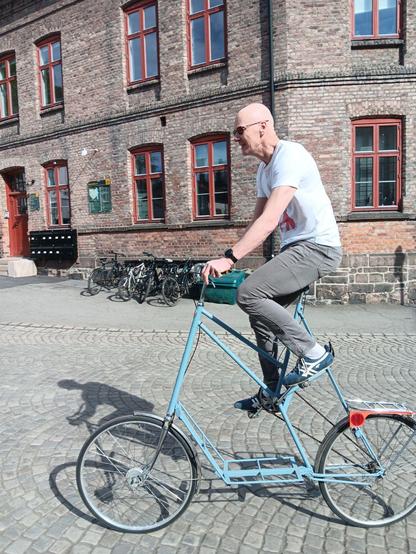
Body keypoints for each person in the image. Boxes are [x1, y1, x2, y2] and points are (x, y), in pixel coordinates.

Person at [202, 102, 342, 413]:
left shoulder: (289, 155)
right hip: (297, 249)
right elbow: (256, 222)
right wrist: (230, 258)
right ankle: (272, 389)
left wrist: (229, 258)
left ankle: (313, 353)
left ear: (263, 126)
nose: (236, 137)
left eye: (240, 131)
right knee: (259, 315)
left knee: (248, 293)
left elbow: (269, 221)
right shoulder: (264, 171)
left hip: (318, 247)